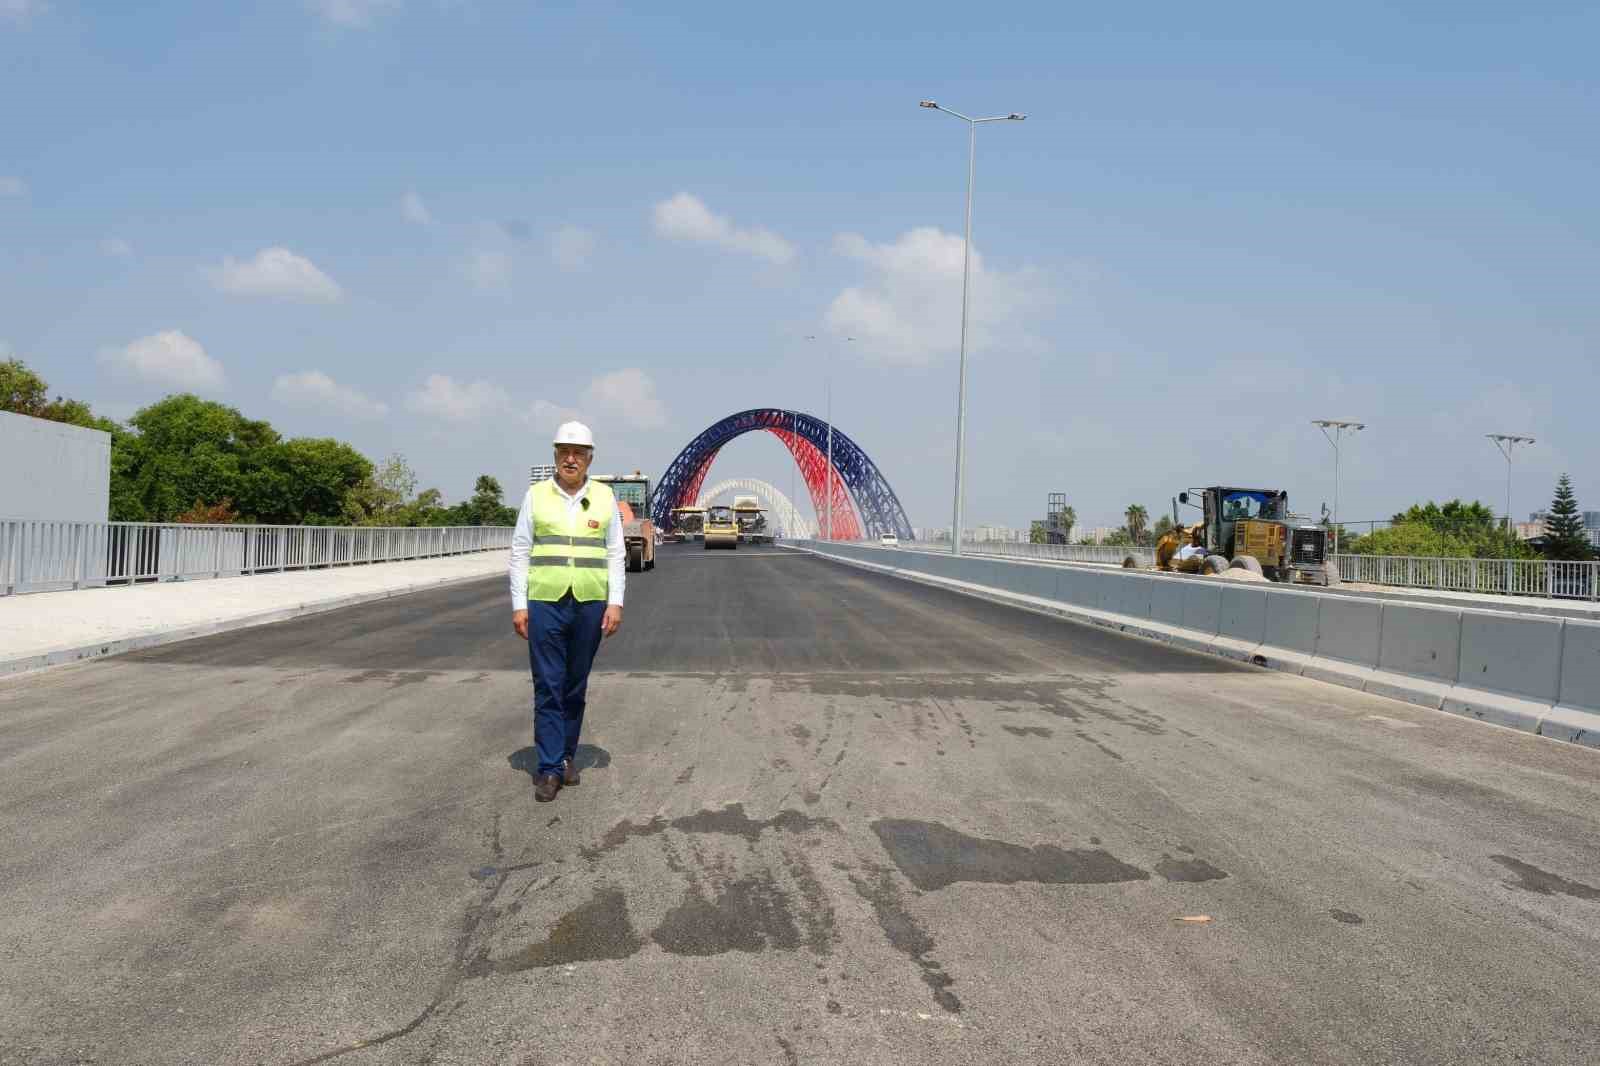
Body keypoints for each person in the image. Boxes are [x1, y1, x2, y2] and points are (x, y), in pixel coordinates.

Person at [507, 421, 625, 803]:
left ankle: (567, 756)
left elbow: (616, 554)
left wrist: (616, 601)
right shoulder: (536, 496)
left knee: (575, 685)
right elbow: (520, 551)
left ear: (589, 458)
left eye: (577, 453)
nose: (570, 459)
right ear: (555, 456)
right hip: (546, 603)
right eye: (563, 452)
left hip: (590, 603)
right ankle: (549, 768)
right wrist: (519, 604)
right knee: (548, 684)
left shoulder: (605, 498)